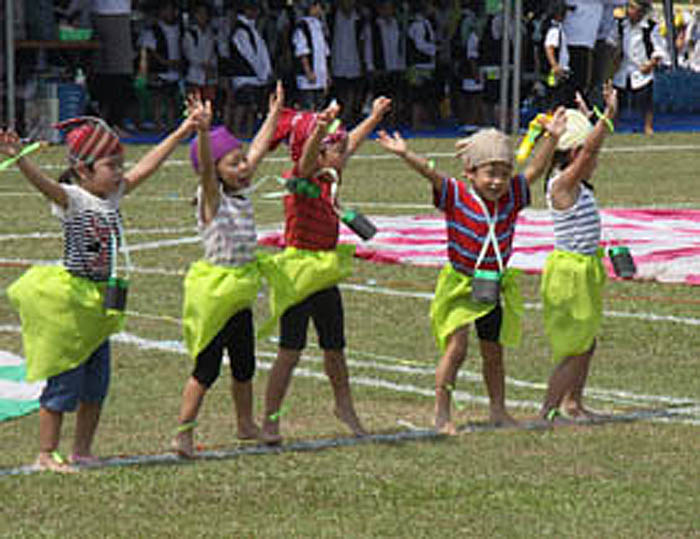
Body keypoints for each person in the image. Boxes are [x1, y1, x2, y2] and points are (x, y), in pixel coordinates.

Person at [0, 108, 206, 472]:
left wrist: (182, 131)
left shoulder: (111, 197)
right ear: (84, 170)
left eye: (119, 165)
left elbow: (149, 165)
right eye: (111, 166)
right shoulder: (73, 199)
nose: (120, 173)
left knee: (96, 386)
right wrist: (19, 158)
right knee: (63, 382)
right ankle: (46, 452)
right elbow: (43, 184)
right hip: (71, 304)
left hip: (99, 306)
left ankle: (82, 449)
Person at [376, 111, 567, 435]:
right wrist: (406, 154)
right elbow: (431, 175)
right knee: (457, 348)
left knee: (494, 352)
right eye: (490, 173)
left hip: (492, 283)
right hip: (460, 284)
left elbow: (533, 170)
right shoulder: (456, 195)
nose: (497, 182)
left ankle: (498, 410)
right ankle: (441, 413)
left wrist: (552, 138)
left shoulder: (512, 196)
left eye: (504, 174)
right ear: (470, 173)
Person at [257, 95, 392, 445]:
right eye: (336, 148)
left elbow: (352, 142)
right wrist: (318, 129)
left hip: (325, 272)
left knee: (335, 347)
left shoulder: (331, 176)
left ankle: (344, 406)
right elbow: (304, 159)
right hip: (299, 273)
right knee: (290, 350)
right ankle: (271, 419)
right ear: (318, 152)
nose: (343, 151)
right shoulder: (300, 179)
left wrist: (374, 116)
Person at [173, 82, 284, 458]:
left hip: (240, 293)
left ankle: (244, 423)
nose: (244, 167)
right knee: (206, 368)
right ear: (216, 171)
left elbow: (257, 150)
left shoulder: (239, 191)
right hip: (216, 293)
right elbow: (206, 169)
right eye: (234, 163)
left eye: (242, 161)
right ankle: (184, 431)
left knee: (244, 364)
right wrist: (203, 132)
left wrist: (273, 115)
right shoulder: (212, 199)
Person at [539, 81, 618, 422]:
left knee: (587, 341)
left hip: (584, 269)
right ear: (573, 155)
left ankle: (574, 403)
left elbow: (586, 152)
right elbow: (588, 152)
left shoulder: (575, 183)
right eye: (587, 152)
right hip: (569, 274)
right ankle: (547, 410)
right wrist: (608, 116)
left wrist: (589, 116)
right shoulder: (561, 185)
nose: (594, 159)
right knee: (574, 347)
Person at [611, 0, 665, 136]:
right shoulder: (620, 25)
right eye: (629, 7)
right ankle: (612, 125)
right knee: (617, 99)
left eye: (633, 8)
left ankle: (648, 126)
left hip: (642, 68)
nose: (630, 11)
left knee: (645, 100)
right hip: (623, 68)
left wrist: (651, 64)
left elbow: (659, 50)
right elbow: (612, 42)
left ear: (642, 11)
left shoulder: (650, 27)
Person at [224, 1, 273, 138]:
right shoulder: (240, 31)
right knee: (241, 104)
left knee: (251, 106)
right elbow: (250, 55)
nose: (256, 13)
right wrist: (262, 72)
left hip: (254, 75)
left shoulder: (251, 29)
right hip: (244, 74)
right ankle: (236, 130)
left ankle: (249, 131)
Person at [291, 0, 331, 110]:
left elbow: (324, 52)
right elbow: (302, 51)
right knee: (308, 106)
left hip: (320, 73)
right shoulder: (302, 26)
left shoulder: (320, 26)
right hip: (308, 75)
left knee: (320, 106)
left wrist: (327, 74)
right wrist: (308, 71)